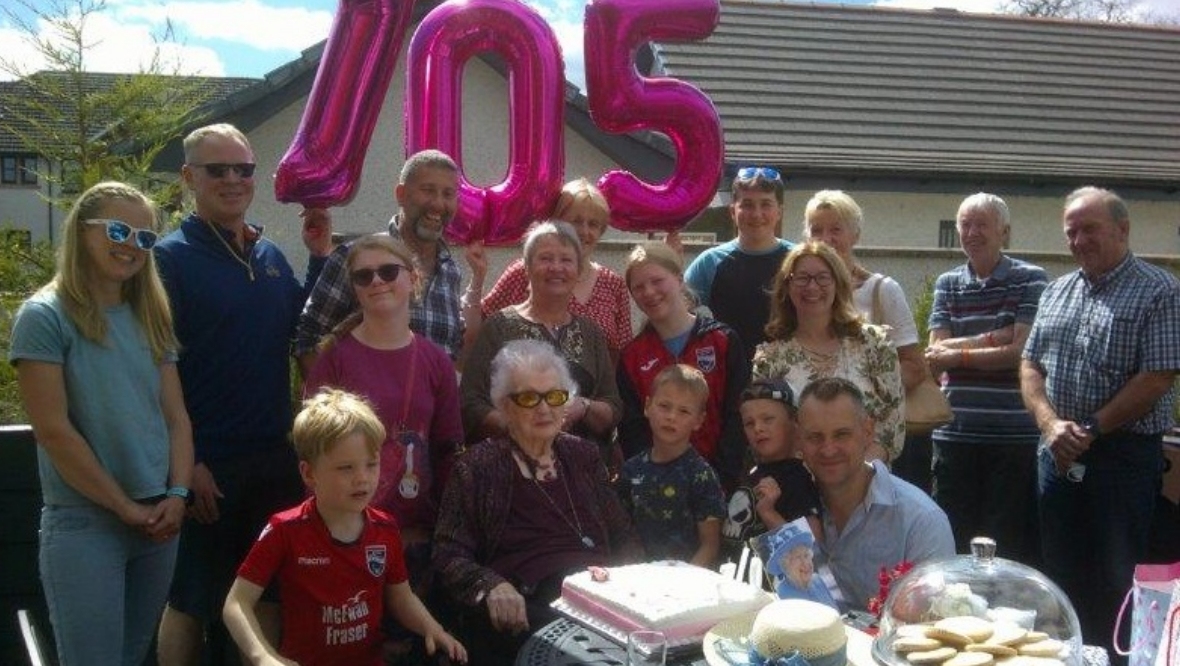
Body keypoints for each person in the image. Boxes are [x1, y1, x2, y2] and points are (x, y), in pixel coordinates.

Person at [153, 123, 333, 665]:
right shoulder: (169, 260)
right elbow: (153, 373)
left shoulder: (270, 254)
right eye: (217, 169)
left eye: (244, 169)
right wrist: (189, 465)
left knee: (266, 592)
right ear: (189, 177)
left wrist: (320, 257)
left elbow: (302, 328)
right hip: (209, 465)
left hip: (274, 458)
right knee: (191, 598)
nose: (233, 179)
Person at [9, 182, 193, 665]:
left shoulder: (149, 313)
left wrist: (177, 495)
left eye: (145, 237)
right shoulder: (44, 316)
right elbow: (53, 431)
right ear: (82, 231)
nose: (131, 245)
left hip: (157, 522)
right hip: (85, 522)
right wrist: (122, 506)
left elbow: (175, 417)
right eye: (118, 230)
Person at [1021, 186, 1180, 655]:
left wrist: (1089, 427)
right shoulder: (1057, 290)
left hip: (1120, 457)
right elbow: (1030, 366)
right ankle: (1067, 658)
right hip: (1056, 453)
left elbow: (1157, 377)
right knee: (1059, 575)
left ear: (1122, 229)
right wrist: (1051, 426)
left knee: (1116, 579)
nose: (1079, 239)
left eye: (1090, 228)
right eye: (1071, 231)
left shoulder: (1160, 290)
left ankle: (1116, 660)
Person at [434, 339, 643, 665]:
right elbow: (448, 554)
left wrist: (635, 591)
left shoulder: (583, 455)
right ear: (504, 406)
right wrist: (490, 585)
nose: (544, 408)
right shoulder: (477, 466)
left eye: (554, 396)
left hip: (598, 599)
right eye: (529, 397)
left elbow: (623, 534)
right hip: (528, 607)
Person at [223, 389, 467, 666]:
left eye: (371, 464)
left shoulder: (385, 529)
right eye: (346, 468)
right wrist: (264, 657)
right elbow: (236, 604)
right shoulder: (284, 529)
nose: (362, 478)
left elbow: (401, 596)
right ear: (308, 473)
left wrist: (431, 628)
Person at [304, 234, 463, 593]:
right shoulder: (334, 360)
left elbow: (448, 449)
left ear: (413, 278)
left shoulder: (435, 360)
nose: (377, 281)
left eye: (388, 271)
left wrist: (444, 529)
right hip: (347, 531)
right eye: (364, 276)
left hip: (414, 534)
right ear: (355, 289)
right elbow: (312, 453)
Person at [924, 193, 1048, 564]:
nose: (972, 232)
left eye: (982, 224)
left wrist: (959, 353)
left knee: (1006, 546)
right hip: (954, 433)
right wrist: (997, 337)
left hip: (1013, 438)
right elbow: (934, 353)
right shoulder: (948, 283)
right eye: (965, 224)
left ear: (1004, 232)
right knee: (953, 541)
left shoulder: (1030, 279)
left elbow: (1021, 353)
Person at [295, 149, 485, 368]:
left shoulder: (451, 272)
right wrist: (339, 399)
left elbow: (451, 354)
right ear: (401, 194)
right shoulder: (354, 257)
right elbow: (308, 343)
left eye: (448, 194)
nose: (438, 204)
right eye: (428, 190)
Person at [801, 190, 930, 488]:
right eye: (817, 229)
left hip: (866, 443)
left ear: (854, 234)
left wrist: (861, 392)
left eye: (836, 229)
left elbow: (914, 365)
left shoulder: (882, 291)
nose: (826, 238)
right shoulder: (801, 294)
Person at [461, 221, 622, 458]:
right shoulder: (499, 326)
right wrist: (521, 426)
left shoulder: (591, 333)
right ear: (526, 268)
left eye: (566, 260)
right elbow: (470, 403)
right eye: (545, 258)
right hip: (511, 467)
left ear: (577, 272)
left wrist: (584, 407)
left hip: (578, 470)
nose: (556, 267)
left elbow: (613, 407)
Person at [797, 377, 953, 614]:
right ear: (800, 440)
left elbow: (937, 621)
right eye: (815, 437)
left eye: (841, 435)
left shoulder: (921, 521)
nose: (828, 449)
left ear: (868, 432)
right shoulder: (790, 505)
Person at [752, 242, 904, 463]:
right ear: (787, 286)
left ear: (838, 284)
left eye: (823, 277)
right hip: (800, 484)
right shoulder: (769, 359)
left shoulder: (875, 343)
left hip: (867, 480)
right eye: (802, 278)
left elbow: (893, 424)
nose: (812, 287)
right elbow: (768, 432)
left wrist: (858, 476)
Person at [618, 241, 748, 490]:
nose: (649, 292)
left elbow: (737, 415)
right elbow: (632, 432)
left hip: (722, 485)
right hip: (659, 492)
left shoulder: (722, 340)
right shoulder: (632, 356)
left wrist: (718, 481)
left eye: (657, 281)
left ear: (679, 279)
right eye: (639, 287)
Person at [481, 178, 633, 359]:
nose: (584, 231)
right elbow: (484, 327)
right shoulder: (526, 271)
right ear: (557, 221)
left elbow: (624, 353)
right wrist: (477, 278)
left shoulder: (614, 285)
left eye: (593, 224)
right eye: (576, 221)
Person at [619, 364, 726, 567]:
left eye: (684, 411)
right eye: (664, 406)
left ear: (698, 420)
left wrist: (683, 586)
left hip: (686, 585)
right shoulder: (631, 470)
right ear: (647, 406)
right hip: (637, 581)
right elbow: (621, 534)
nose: (671, 417)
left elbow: (710, 546)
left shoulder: (701, 475)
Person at [685, 166, 793, 356]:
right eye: (748, 204)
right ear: (733, 211)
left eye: (766, 204)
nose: (757, 214)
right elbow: (675, 311)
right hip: (730, 376)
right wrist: (669, 270)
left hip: (790, 375)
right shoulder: (710, 263)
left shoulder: (798, 259)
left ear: (780, 212)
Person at [722, 380, 822, 563]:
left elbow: (811, 552)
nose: (758, 428)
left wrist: (769, 513)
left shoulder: (797, 479)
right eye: (749, 423)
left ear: (795, 422)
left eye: (768, 419)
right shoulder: (750, 472)